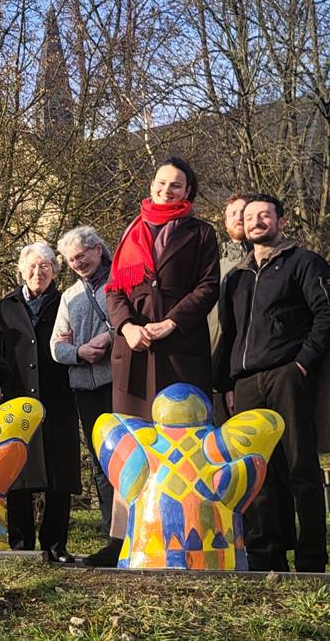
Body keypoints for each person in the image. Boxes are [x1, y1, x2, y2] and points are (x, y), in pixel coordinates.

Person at [215, 194, 330, 573]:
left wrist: (303, 362)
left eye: (265, 216)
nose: (256, 222)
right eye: (250, 216)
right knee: (256, 472)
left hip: (288, 374)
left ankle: (311, 558)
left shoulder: (304, 263)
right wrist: (224, 381)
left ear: (281, 222)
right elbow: (229, 333)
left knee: (299, 466)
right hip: (245, 384)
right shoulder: (235, 278)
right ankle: (265, 554)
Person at [103, 156, 220, 548]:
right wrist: (127, 327)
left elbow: (207, 287)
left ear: (188, 192)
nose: (165, 190)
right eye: (161, 182)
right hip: (134, 349)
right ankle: (124, 538)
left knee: (181, 438)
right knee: (132, 443)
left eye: (175, 185)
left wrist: (172, 322)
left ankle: (184, 531)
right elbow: (114, 290)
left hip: (179, 348)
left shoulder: (201, 233)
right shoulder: (131, 230)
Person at [0, 242, 81, 564]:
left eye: (45, 266)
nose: (38, 272)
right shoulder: (4, 308)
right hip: (16, 401)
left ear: (55, 271)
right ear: (20, 269)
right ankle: (21, 546)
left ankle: (56, 545)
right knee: (17, 474)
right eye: (31, 266)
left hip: (57, 398)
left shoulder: (67, 303)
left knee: (59, 476)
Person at [51, 225, 117, 566]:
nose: (78, 263)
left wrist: (105, 340)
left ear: (98, 250)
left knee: (126, 460)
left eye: (82, 255)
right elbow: (56, 347)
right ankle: (111, 537)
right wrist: (79, 351)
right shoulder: (68, 296)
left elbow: (128, 322)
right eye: (71, 259)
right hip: (84, 388)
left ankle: (130, 536)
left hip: (115, 384)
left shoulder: (118, 283)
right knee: (100, 464)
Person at [207, 193, 250, 424]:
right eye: (232, 214)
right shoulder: (214, 268)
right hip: (218, 373)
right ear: (225, 223)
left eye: (244, 212)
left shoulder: (275, 261)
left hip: (256, 371)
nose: (239, 218)